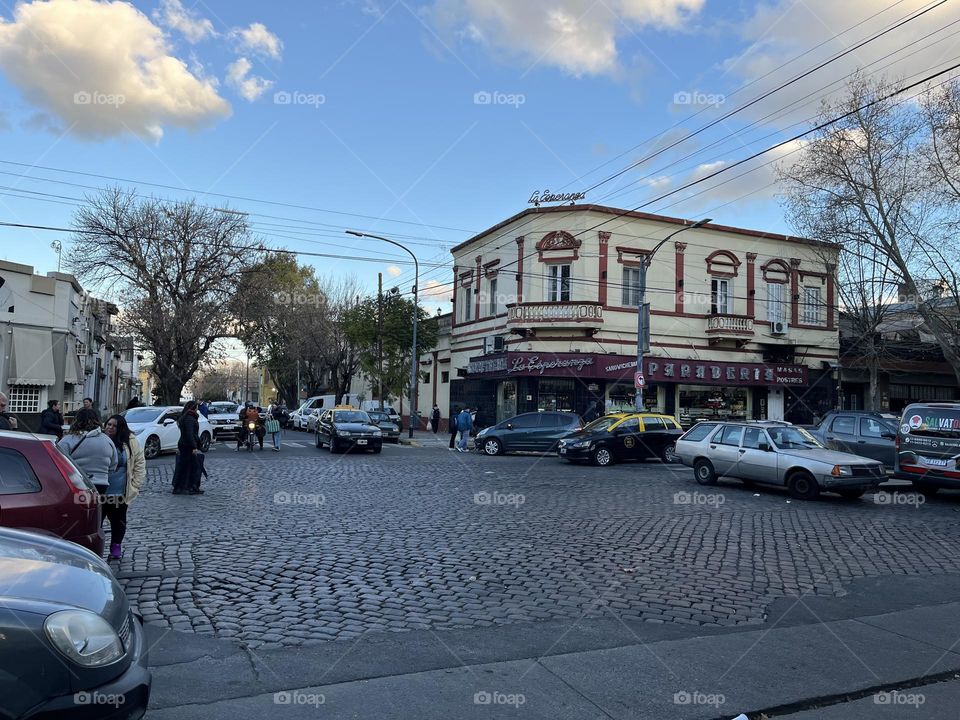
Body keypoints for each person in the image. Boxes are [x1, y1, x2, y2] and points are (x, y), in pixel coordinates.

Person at [103, 414, 146, 560]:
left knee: (118, 520)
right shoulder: (100, 440)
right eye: (109, 424)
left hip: (120, 490)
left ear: (120, 428)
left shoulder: (130, 441)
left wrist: (135, 485)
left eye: (114, 426)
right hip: (100, 491)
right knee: (97, 521)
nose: (110, 428)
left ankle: (116, 547)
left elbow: (139, 463)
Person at [58, 408, 117, 496]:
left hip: (78, 484)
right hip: (102, 484)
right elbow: (113, 465)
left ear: (76, 421)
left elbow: (58, 461)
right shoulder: (107, 440)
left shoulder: (68, 440)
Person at [172, 401, 202, 494]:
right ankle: (184, 487)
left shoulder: (187, 417)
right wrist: (194, 446)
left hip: (184, 444)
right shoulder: (189, 418)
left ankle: (187, 486)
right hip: (187, 445)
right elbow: (190, 434)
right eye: (197, 407)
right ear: (193, 408)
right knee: (188, 467)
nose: (197, 409)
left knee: (187, 466)